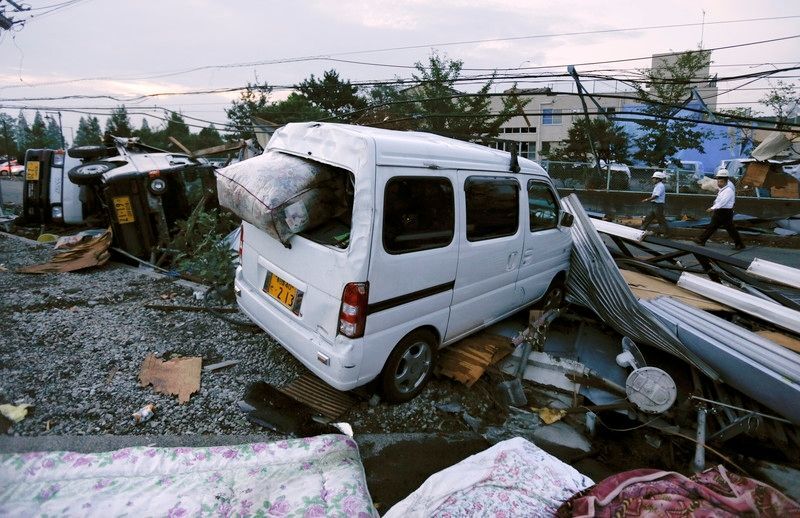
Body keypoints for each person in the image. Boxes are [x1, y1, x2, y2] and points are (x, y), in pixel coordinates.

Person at [695, 170, 745, 250]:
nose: (718, 183)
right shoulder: (724, 187)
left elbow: (723, 202)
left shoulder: (728, 189)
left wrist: (713, 208)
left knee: (726, 228)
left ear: (725, 181)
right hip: (722, 211)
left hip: (724, 211)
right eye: (718, 180)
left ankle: (701, 240)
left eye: (720, 181)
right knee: (716, 226)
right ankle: (701, 240)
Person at [641, 171, 669, 237]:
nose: (653, 179)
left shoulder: (660, 186)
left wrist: (647, 199)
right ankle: (641, 230)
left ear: (658, 179)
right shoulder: (658, 186)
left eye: (654, 178)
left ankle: (664, 234)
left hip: (658, 205)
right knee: (648, 218)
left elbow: (656, 196)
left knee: (660, 220)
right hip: (654, 205)